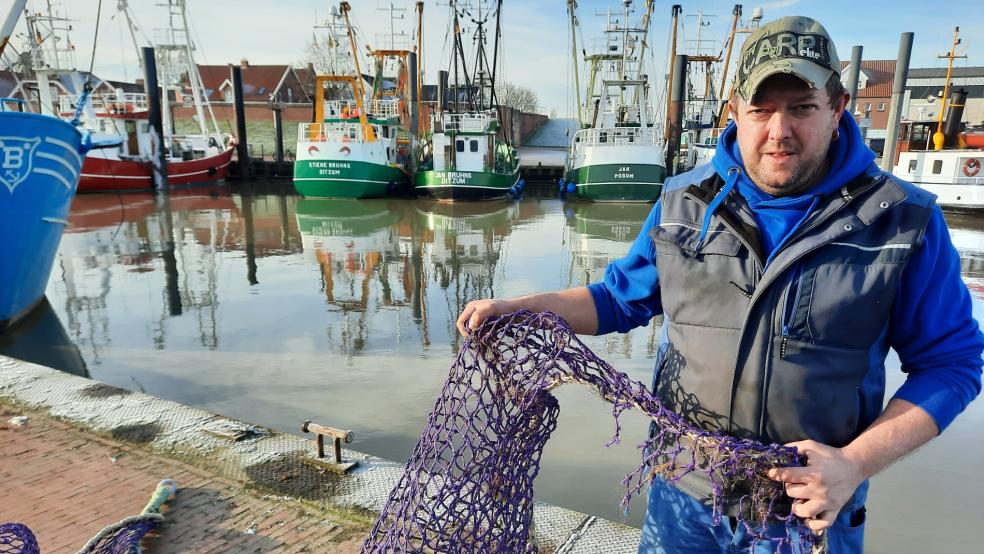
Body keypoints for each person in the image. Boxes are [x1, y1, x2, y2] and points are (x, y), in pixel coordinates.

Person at [456, 15, 984, 554]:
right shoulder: (684, 202)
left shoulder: (902, 219)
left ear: (837, 107)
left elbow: (953, 364)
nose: (780, 131)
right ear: (735, 112)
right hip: (683, 496)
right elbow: (617, 299)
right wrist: (522, 308)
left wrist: (854, 463)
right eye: (761, 109)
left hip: (805, 514)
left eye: (801, 108)